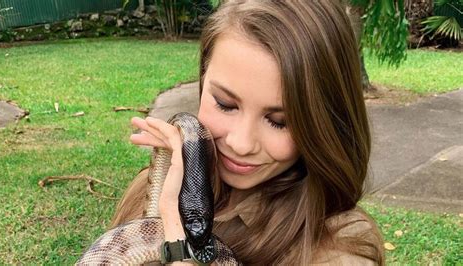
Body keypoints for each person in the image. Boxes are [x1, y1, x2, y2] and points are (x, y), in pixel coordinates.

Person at [111, 0, 384, 264]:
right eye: (225, 104)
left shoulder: (340, 246)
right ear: (203, 80)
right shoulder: (151, 185)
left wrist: (174, 228)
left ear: (324, 123)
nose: (241, 144)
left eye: (279, 121)